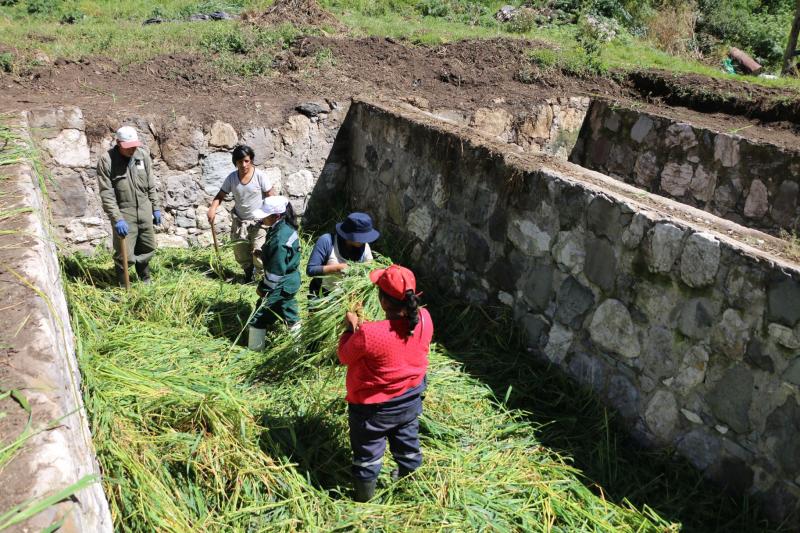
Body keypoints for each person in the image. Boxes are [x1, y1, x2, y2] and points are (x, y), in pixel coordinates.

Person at [337, 265, 433, 502]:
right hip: (410, 399)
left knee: (368, 452)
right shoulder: (423, 318)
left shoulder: (370, 333)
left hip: (372, 410)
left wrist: (351, 328)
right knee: (407, 442)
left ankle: (364, 500)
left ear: (382, 301)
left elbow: (344, 356)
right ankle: (408, 483)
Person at [96, 126, 161, 286]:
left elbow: (150, 185)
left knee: (147, 247)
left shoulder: (142, 156)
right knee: (124, 254)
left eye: (134, 146)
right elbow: (106, 193)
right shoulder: (107, 160)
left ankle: (145, 278)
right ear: (118, 143)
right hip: (124, 214)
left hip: (144, 210)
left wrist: (156, 208)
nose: (132, 149)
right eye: (128, 147)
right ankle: (124, 285)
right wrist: (117, 219)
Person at [207, 144, 279, 283]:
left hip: (260, 222)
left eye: (246, 161)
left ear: (251, 160)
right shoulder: (232, 178)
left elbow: (271, 195)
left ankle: (261, 280)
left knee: (259, 252)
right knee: (241, 253)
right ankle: (248, 275)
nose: (244, 165)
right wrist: (212, 208)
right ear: (235, 162)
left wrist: (275, 215)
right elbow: (220, 195)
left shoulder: (259, 176)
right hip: (240, 222)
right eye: (240, 162)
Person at [248, 196, 301, 351]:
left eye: (265, 216)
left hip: (281, 282)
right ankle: (299, 348)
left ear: (276, 216)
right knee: (288, 311)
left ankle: (254, 351)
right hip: (290, 280)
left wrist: (263, 289)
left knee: (259, 316)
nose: (262, 219)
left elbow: (276, 272)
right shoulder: (283, 227)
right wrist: (263, 253)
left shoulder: (279, 238)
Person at [306, 212, 379, 297]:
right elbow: (310, 270)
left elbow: (370, 270)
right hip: (323, 293)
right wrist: (337, 268)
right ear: (350, 235)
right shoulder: (327, 241)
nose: (364, 240)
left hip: (349, 296)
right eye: (362, 238)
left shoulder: (365, 247)